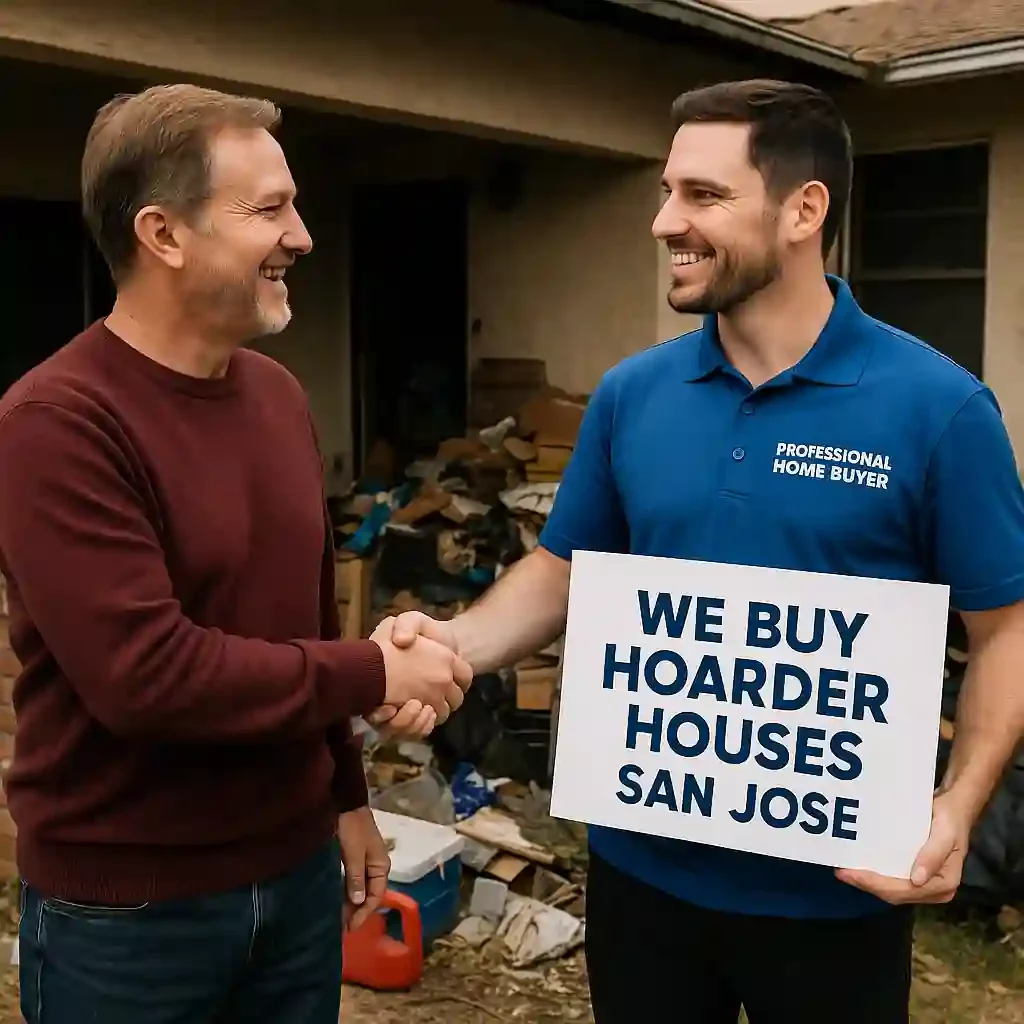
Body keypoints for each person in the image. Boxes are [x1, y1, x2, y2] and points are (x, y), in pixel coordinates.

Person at [385, 79, 1024, 1023]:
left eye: (703, 196)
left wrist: (958, 806)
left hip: (833, 897)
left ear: (805, 210)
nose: (663, 222)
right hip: (642, 878)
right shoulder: (632, 396)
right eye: (665, 190)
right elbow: (565, 570)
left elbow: (1004, 630)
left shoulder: (939, 409)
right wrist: (451, 648)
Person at [0, 84, 471, 1024]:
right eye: (269, 210)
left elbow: (304, 624)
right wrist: (375, 669)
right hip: (131, 913)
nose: (301, 235)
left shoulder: (276, 396)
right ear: (163, 235)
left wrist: (342, 797)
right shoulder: (57, 423)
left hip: (294, 881)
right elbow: (146, 675)